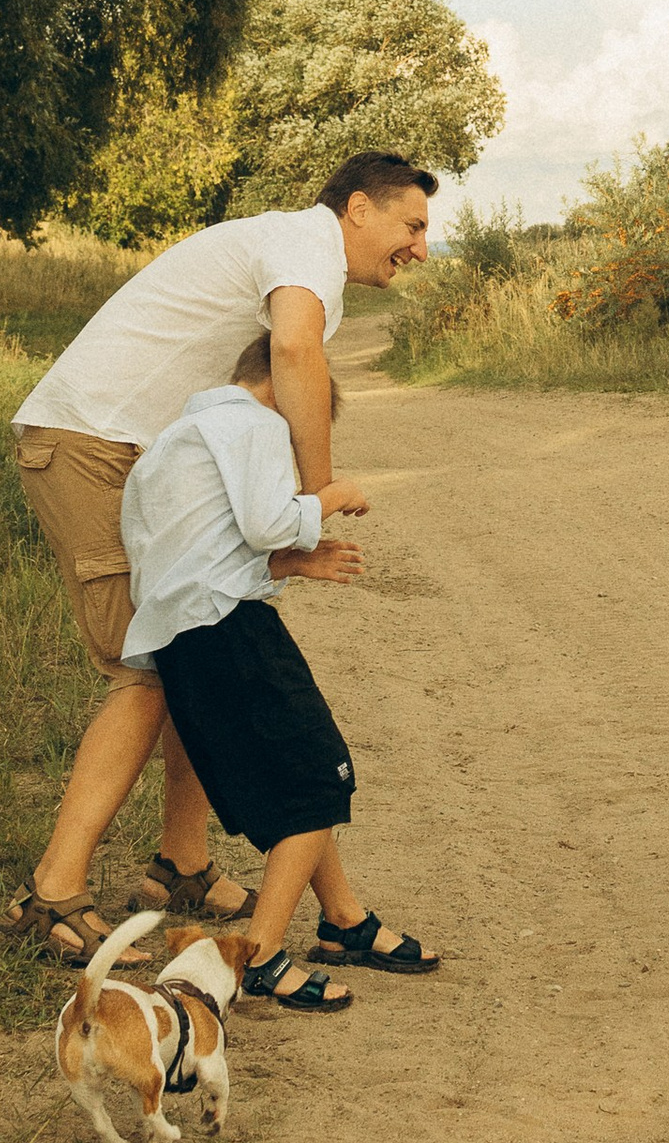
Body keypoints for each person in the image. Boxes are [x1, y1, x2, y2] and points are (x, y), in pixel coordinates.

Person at [1, 153, 436, 966]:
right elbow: (296, 356)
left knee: (194, 644)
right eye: (411, 225)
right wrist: (313, 497)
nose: (420, 247)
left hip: (125, 448)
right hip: (91, 443)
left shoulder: (294, 249)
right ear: (356, 211)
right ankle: (51, 895)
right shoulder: (306, 247)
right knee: (149, 668)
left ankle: (184, 862)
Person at [120, 331, 439, 1007]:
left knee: (297, 777)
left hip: (184, 638)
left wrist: (288, 566)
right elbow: (267, 522)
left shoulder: (177, 440)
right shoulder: (255, 422)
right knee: (318, 772)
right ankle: (259, 956)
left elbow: (194, 554)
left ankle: (343, 920)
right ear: (294, 387)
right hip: (229, 630)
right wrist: (328, 497)